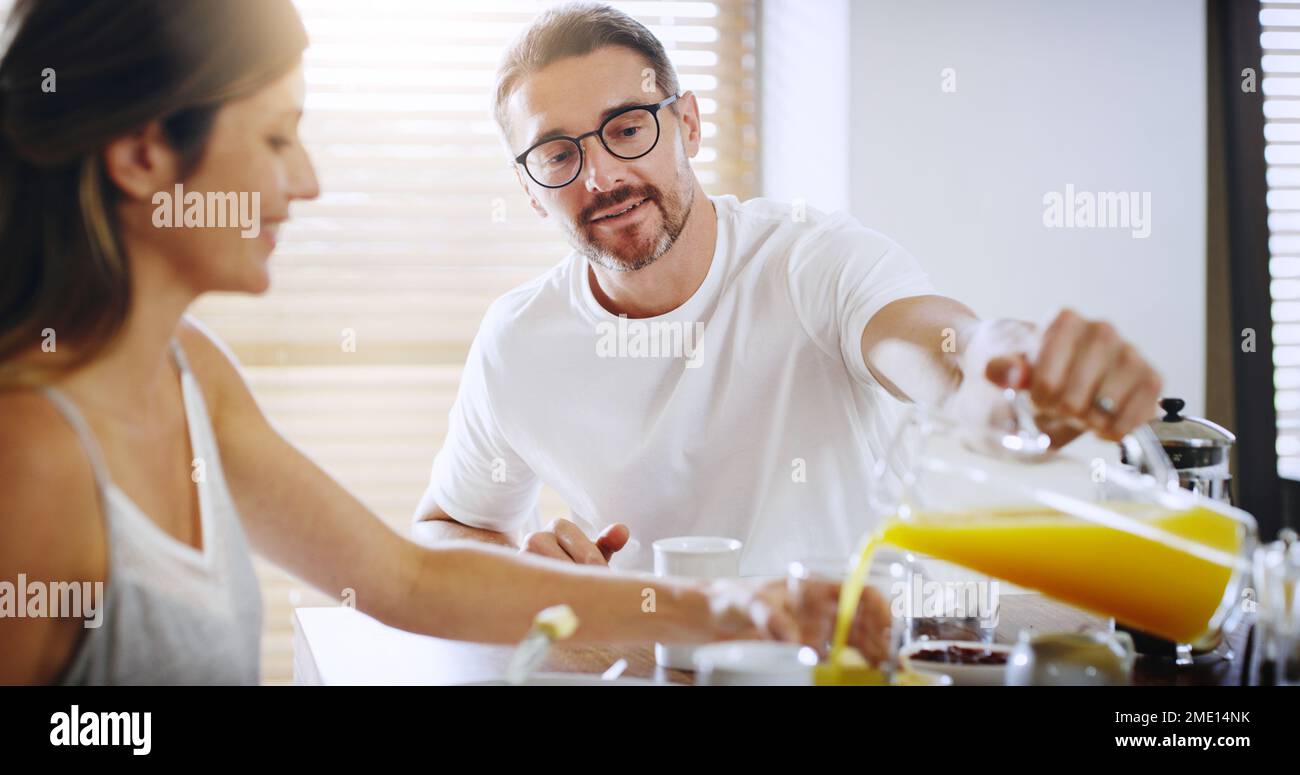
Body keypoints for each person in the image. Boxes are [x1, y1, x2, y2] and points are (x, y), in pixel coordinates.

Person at [0, 0, 885, 686]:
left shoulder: (192, 379)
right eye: (275, 136)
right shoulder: (32, 452)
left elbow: (405, 577)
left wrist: (726, 609)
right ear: (144, 157)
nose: (306, 180)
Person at [413, 2, 1164, 574]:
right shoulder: (518, 342)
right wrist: (532, 575)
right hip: (649, 665)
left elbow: (942, 347)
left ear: (688, 125)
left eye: (627, 128)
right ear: (530, 189)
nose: (602, 175)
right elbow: (449, 524)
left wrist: (1010, 369)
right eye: (556, 153)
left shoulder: (812, 261)